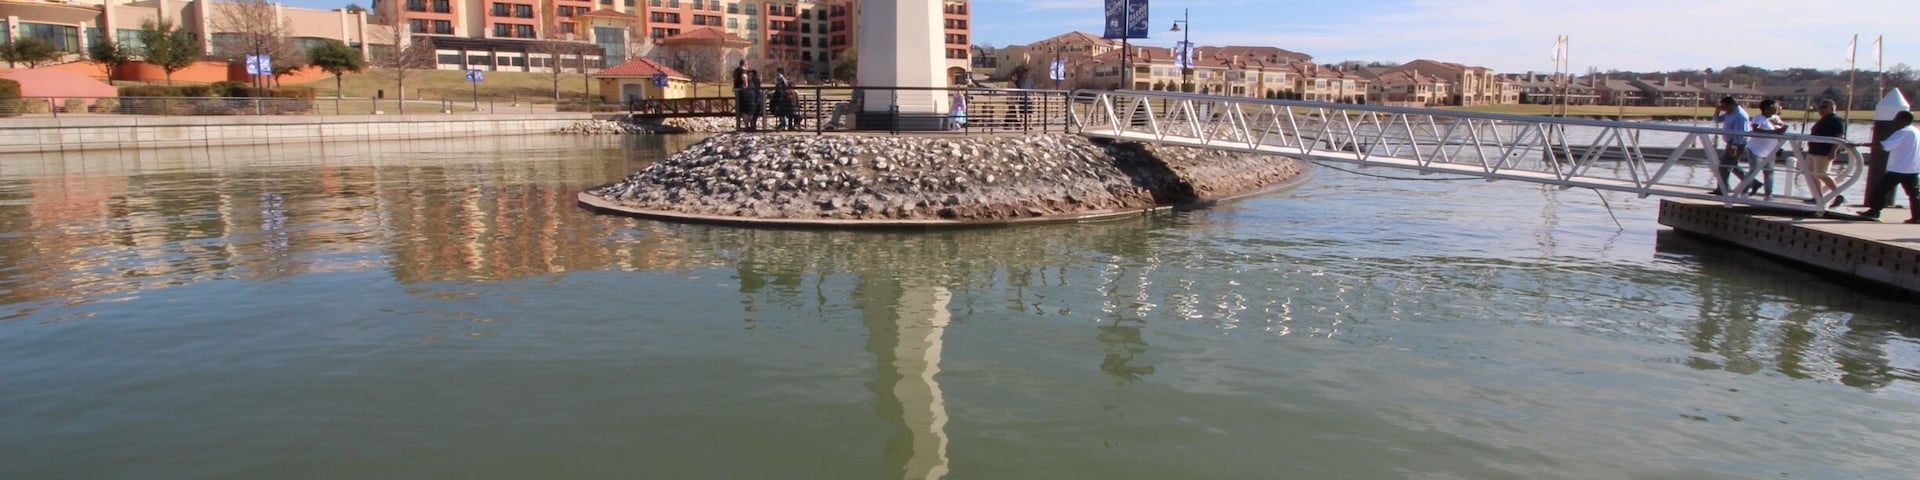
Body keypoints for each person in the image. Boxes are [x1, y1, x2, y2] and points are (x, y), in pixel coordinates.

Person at [1857, 110, 1920, 222]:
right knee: (1914, 194)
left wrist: (1861, 144)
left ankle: (1874, 211)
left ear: (1903, 120)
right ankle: (1917, 217)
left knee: (1880, 190)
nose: (1894, 121)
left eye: (1896, 118)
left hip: (1899, 169)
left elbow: (1884, 145)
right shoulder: (1916, 131)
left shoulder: (1903, 132)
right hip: (1913, 169)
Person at [1803, 99, 1847, 207]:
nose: (1820, 109)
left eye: (1824, 107)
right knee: (1811, 175)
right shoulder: (1822, 120)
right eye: (1820, 107)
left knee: (1821, 174)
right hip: (1813, 151)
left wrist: (1833, 151)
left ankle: (1839, 195)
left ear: (1831, 108)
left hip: (1824, 152)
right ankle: (1818, 197)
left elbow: (1839, 136)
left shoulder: (1837, 120)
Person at [1710, 96, 1754, 195]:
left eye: (1724, 106)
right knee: (1731, 165)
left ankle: (1723, 188)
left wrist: (1734, 146)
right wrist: (1717, 111)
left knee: (1724, 166)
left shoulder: (1740, 115)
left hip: (1737, 144)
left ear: (1731, 105)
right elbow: (1717, 120)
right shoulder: (1730, 113)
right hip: (1730, 143)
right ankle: (1752, 182)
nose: (1723, 108)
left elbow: (1740, 134)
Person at [1745, 99, 1787, 198]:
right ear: (1766, 108)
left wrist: (1781, 126)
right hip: (1756, 149)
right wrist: (1772, 133)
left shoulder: (1776, 118)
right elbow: (1755, 129)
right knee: (1754, 171)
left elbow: (1781, 129)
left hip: (1770, 150)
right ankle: (1744, 191)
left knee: (1769, 172)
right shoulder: (1759, 118)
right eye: (1774, 106)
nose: (1776, 108)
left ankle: (1769, 194)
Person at [732, 60, 749, 131]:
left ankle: (738, 125)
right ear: (745, 64)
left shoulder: (736, 71)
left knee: (739, 109)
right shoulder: (743, 71)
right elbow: (744, 76)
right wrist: (746, 84)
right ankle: (746, 126)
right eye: (747, 64)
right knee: (745, 109)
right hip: (742, 91)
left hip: (736, 91)